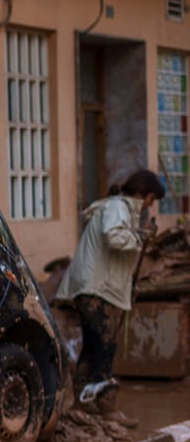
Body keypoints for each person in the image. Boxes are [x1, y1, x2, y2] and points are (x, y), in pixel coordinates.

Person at [55, 169, 166, 428]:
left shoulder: (115, 206)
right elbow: (114, 236)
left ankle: (81, 403)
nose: (150, 206)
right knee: (105, 348)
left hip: (93, 287)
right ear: (146, 196)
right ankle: (108, 407)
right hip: (96, 289)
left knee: (94, 348)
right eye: (151, 200)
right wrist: (140, 236)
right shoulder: (118, 207)